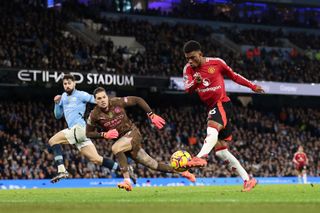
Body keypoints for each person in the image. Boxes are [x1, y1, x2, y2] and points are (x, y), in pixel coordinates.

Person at [182, 40, 265, 192]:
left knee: (212, 129)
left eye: (193, 57)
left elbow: (234, 76)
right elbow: (187, 89)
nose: (190, 61)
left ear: (201, 54)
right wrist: (195, 82)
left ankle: (201, 156)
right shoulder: (188, 69)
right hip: (211, 107)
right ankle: (248, 180)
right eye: (187, 58)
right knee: (221, 152)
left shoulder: (217, 63)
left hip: (222, 104)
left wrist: (252, 86)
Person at [86, 87, 196, 191]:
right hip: (124, 143)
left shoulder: (117, 102)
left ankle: (127, 180)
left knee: (115, 148)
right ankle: (183, 172)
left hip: (132, 134)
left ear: (107, 97)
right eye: (99, 98)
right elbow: (88, 133)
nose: (102, 100)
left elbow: (138, 100)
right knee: (153, 164)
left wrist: (151, 115)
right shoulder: (94, 115)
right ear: (95, 100)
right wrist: (104, 135)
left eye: (104, 97)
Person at [49, 74, 124, 183]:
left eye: (69, 83)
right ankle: (124, 169)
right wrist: (56, 103)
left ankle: (62, 171)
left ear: (74, 83)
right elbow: (58, 115)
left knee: (53, 141)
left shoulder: (81, 95)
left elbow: (97, 100)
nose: (67, 86)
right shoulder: (63, 97)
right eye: (65, 84)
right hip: (80, 132)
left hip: (79, 128)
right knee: (96, 159)